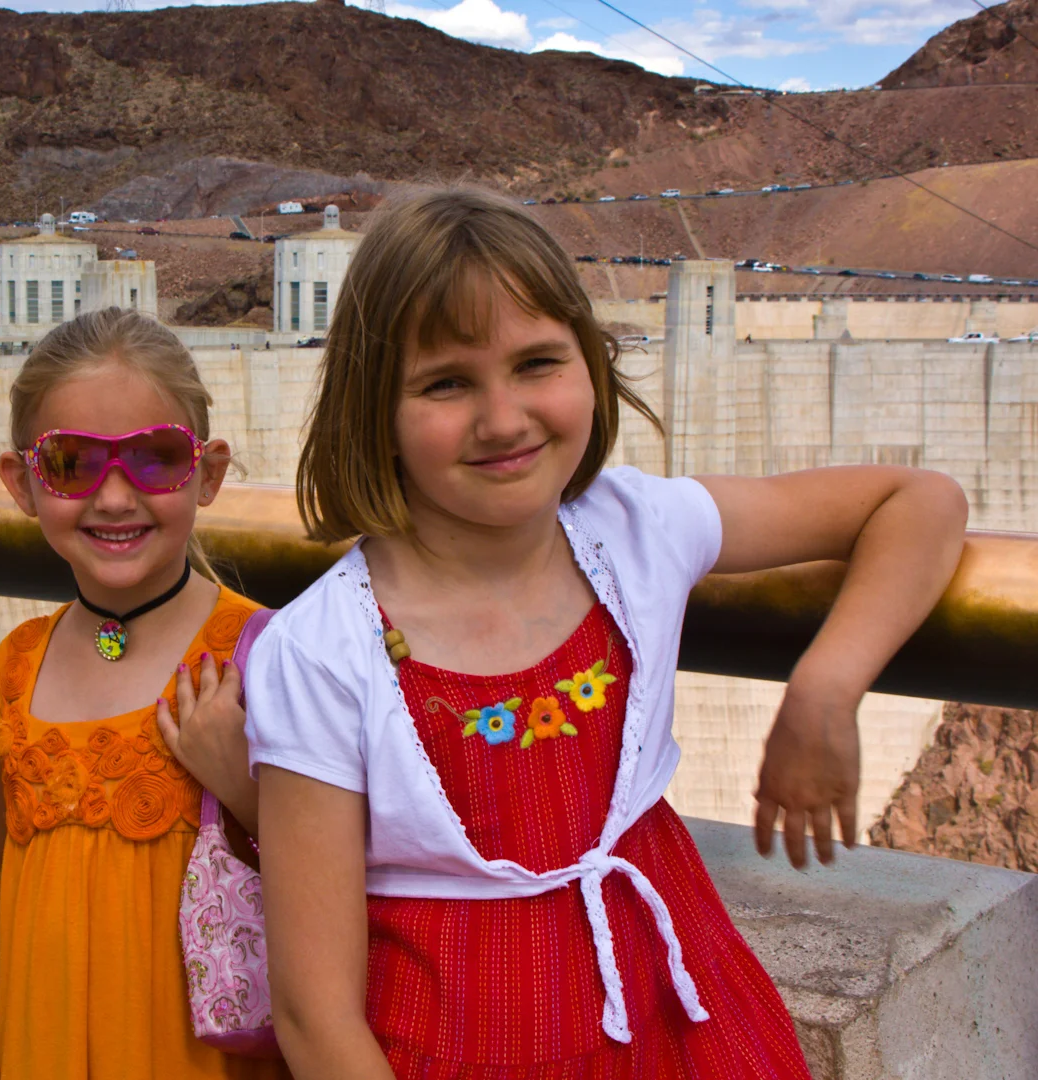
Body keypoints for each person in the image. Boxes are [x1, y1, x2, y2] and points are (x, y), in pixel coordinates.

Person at [244, 187, 968, 1080]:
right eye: (446, 383)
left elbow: (920, 502)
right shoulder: (322, 651)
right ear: (375, 410)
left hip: (677, 1015)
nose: (504, 419)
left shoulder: (634, 530)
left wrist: (823, 691)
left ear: (591, 366)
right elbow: (314, 1018)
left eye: (538, 364)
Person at [0, 308, 285, 1080]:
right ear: (23, 484)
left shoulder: (264, 657)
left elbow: (342, 877)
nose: (115, 498)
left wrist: (241, 788)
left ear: (208, 474)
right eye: (73, 464)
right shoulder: (12, 669)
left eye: (155, 459)